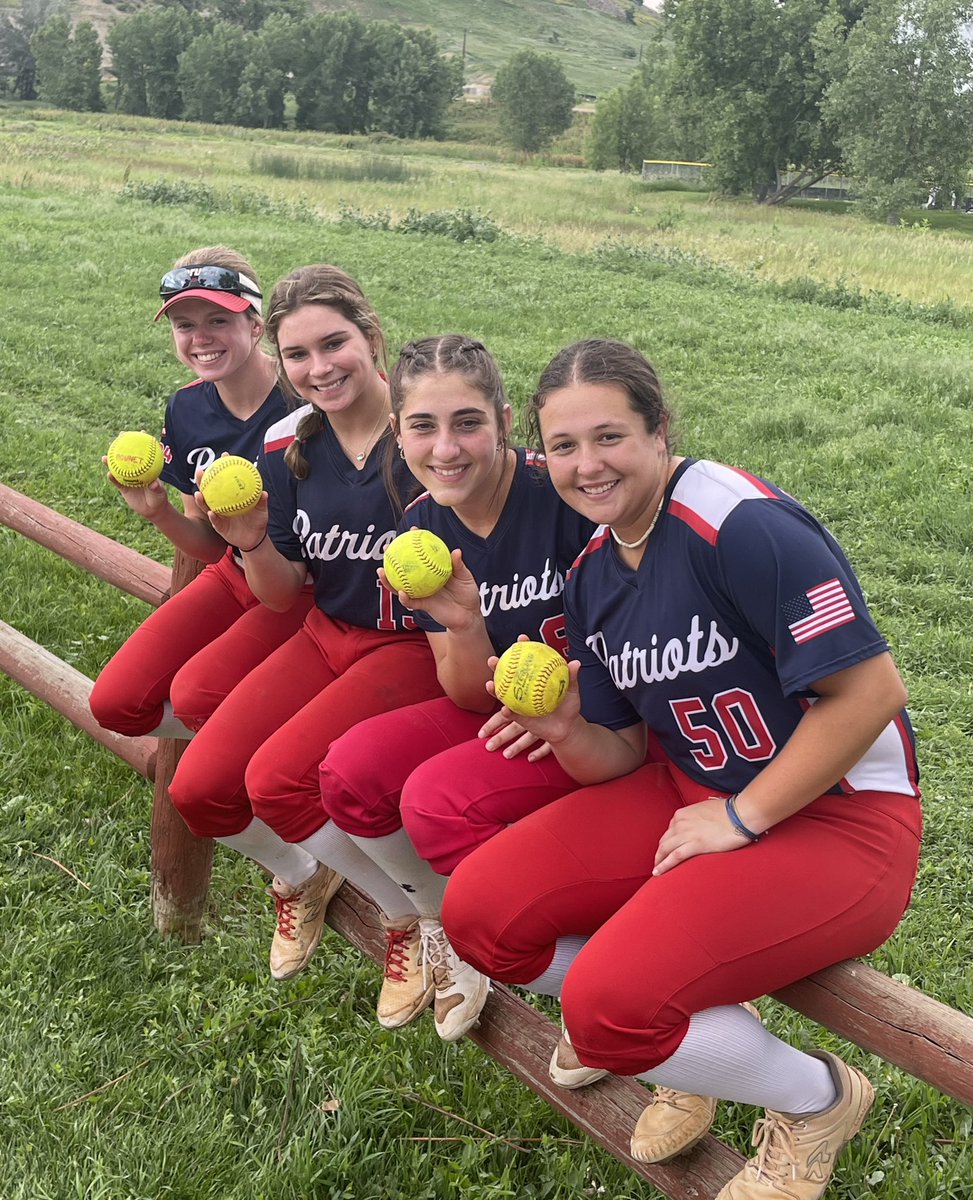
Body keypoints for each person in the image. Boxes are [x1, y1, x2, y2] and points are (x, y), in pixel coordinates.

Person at [441, 339, 921, 1200]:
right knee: (482, 918)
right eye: (562, 446)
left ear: (662, 432)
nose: (586, 466)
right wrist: (562, 725)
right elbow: (620, 752)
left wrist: (740, 819)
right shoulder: (592, 569)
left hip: (840, 814)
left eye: (609, 437)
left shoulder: (736, 523)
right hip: (690, 786)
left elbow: (869, 693)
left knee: (606, 1010)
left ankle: (817, 1100)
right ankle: (686, 1049)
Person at [166, 265, 445, 983]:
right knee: (197, 792)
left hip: (415, 645)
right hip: (327, 629)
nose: (318, 368)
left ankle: (414, 915)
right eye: (299, 355)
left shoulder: (430, 435)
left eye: (334, 344)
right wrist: (253, 539)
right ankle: (308, 876)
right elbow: (284, 593)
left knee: (279, 780)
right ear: (281, 360)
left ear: (372, 336)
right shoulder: (288, 444)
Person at [317, 335, 595, 1042]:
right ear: (396, 430)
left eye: (467, 422)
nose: (446, 448)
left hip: (613, 718)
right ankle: (449, 930)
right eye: (422, 426)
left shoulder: (565, 493)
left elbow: (652, 623)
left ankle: (600, 984)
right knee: (349, 773)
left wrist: (579, 705)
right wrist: (467, 623)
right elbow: (469, 693)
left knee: (437, 802)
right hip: (519, 713)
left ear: (504, 422)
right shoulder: (421, 527)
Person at [90, 248, 315, 741]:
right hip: (235, 574)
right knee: (114, 702)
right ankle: (230, 740)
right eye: (184, 324)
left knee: (200, 695)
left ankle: (254, 760)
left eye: (218, 319)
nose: (200, 338)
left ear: (257, 325)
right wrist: (160, 513)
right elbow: (215, 544)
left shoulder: (309, 400)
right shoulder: (187, 408)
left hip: (308, 589)